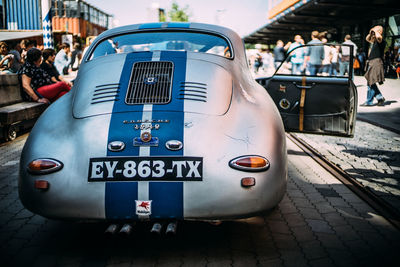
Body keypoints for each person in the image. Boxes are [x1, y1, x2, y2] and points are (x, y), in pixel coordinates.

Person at [361, 25, 386, 106]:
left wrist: (375, 31)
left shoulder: (381, 40)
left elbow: (379, 37)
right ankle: (380, 97)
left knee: (370, 82)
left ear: (379, 31)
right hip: (371, 62)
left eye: (376, 30)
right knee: (370, 82)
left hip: (376, 62)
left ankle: (369, 101)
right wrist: (371, 32)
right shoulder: (375, 41)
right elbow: (367, 39)